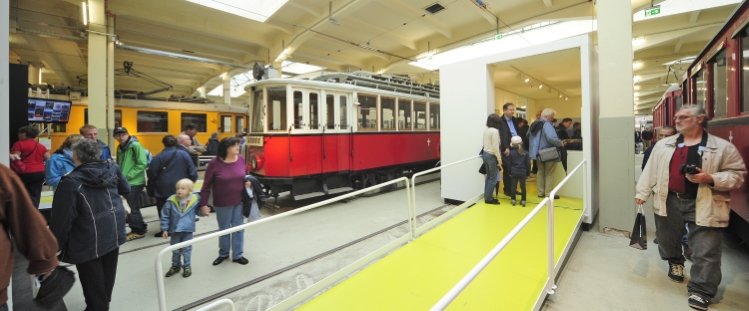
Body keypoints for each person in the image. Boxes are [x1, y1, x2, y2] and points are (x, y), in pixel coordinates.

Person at [635, 105, 746, 310]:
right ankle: (675, 262)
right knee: (667, 239)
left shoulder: (721, 147)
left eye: (684, 117)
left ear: (700, 120)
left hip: (706, 201)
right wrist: (642, 193)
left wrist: (710, 178)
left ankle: (701, 290)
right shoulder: (664, 145)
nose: (678, 120)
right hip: (670, 200)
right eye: (677, 117)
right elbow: (650, 170)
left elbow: (737, 175)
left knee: (706, 249)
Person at [49, 139, 129, 311]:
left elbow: (62, 219)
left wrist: (54, 247)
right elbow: (126, 189)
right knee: (107, 276)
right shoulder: (112, 168)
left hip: (86, 238)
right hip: (113, 229)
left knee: (93, 283)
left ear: (76, 156)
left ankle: (97, 307)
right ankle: (102, 304)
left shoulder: (70, 182)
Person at [0, 163, 60, 311]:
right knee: (33, 198)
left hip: (27, 175)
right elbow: (24, 216)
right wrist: (44, 259)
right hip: (36, 176)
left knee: (32, 198)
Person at [200, 137, 249, 265]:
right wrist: (203, 204)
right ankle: (223, 253)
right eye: (235, 146)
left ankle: (238, 255)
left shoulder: (241, 159)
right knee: (224, 229)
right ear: (226, 148)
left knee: (239, 229)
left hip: (239, 200)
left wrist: (248, 182)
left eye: (238, 145)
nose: (238, 147)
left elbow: (245, 175)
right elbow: (206, 186)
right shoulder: (214, 163)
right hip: (222, 203)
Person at [148, 135, 198, 237]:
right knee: (181, 206)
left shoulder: (159, 156)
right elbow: (192, 169)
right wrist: (192, 180)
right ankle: (181, 227)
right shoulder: (183, 154)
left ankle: (165, 229)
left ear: (164, 143)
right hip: (181, 186)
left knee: (164, 208)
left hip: (163, 187)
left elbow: (151, 173)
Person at [160, 179, 208, 278]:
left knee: (187, 249)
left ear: (189, 190)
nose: (179, 190)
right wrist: (165, 229)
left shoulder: (195, 200)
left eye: (183, 188)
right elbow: (165, 215)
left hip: (187, 229)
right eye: (177, 188)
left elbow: (198, 212)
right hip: (175, 230)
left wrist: (203, 212)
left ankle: (187, 266)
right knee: (175, 249)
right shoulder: (171, 201)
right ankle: (176, 265)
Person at [114, 127, 149, 241]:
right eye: (118, 135)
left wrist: (126, 176)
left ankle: (138, 230)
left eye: (123, 134)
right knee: (132, 205)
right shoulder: (120, 147)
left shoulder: (135, 146)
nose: (121, 137)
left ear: (127, 134)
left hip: (135, 181)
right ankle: (140, 226)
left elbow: (142, 163)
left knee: (131, 206)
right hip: (126, 181)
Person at [10, 126, 50, 209]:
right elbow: (49, 158)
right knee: (34, 195)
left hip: (24, 172)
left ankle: (22, 213)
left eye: (20, 133)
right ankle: (34, 213)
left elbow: (14, 157)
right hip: (40, 172)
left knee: (20, 193)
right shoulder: (40, 146)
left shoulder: (19, 144)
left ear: (24, 134)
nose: (19, 135)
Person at [528, 108, 563, 199]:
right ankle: (548, 194)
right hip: (548, 152)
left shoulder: (533, 124)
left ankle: (540, 192)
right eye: (551, 117)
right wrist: (560, 143)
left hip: (537, 153)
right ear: (546, 117)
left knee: (540, 172)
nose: (552, 119)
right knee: (549, 173)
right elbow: (551, 137)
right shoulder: (546, 124)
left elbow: (528, 136)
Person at [497, 103, 520, 196]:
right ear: (504, 110)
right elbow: (501, 136)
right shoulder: (500, 121)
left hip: (516, 146)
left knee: (516, 169)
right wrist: (505, 147)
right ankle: (508, 189)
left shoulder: (514, 120)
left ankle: (514, 188)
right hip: (507, 148)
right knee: (508, 169)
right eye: (510, 110)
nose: (512, 111)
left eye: (513, 109)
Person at [482, 114, 502, 205]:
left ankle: (487, 196)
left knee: (489, 177)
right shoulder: (495, 131)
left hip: (485, 154)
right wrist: (499, 159)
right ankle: (489, 198)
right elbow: (495, 147)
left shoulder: (486, 130)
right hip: (492, 155)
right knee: (493, 178)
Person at [508, 136, 530, 207]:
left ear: (512, 144)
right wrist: (528, 173)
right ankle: (523, 200)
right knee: (523, 186)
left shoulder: (511, 153)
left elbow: (509, 164)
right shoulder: (526, 153)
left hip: (514, 172)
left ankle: (513, 200)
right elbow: (528, 164)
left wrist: (509, 172)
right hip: (523, 172)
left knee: (513, 186)